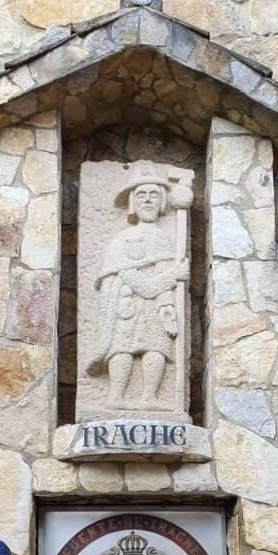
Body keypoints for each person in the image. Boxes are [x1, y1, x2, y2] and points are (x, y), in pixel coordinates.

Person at [86, 161, 189, 405]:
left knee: (157, 347)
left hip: (155, 309)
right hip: (126, 306)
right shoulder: (121, 240)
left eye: (154, 194)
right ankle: (116, 396)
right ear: (133, 201)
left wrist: (167, 306)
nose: (148, 200)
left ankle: (150, 397)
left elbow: (164, 281)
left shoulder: (166, 240)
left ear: (163, 200)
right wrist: (174, 276)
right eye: (141, 194)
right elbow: (139, 282)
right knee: (122, 348)